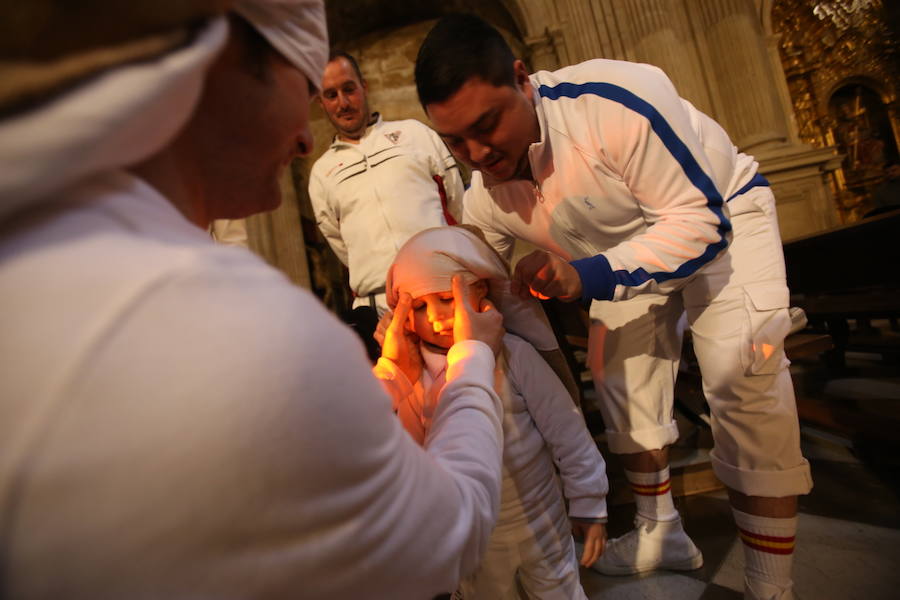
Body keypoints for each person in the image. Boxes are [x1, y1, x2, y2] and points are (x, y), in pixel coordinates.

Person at [0, 2, 508, 598]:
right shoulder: (258, 334)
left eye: (345, 89)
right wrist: (473, 362)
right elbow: (443, 537)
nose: (301, 138)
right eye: (303, 86)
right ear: (219, 67)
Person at [414, 14, 813, 600]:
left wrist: (585, 274)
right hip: (615, 256)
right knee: (619, 372)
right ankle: (661, 533)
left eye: (487, 124)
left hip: (722, 216)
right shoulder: (483, 196)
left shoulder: (614, 97)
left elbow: (700, 221)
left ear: (523, 80)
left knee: (744, 377)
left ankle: (770, 584)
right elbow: (470, 274)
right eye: (454, 141)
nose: (477, 153)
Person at [386, 225, 608, 599]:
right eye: (420, 307)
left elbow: (566, 429)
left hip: (541, 522)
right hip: (474, 539)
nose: (438, 318)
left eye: (447, 299)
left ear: (482, 293)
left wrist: (588, 502)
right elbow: (411, 451)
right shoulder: (412, 375)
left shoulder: (514, 355)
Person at [309, 50, 465, 321]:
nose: (343, 103)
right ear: (321, 103)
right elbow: (341, 244)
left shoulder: (415, 133)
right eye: (331, 95)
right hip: (378, 310)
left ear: (364, 87)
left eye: (349, 89)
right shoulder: (321, 173)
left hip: (443, 288)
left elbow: (458, 204)